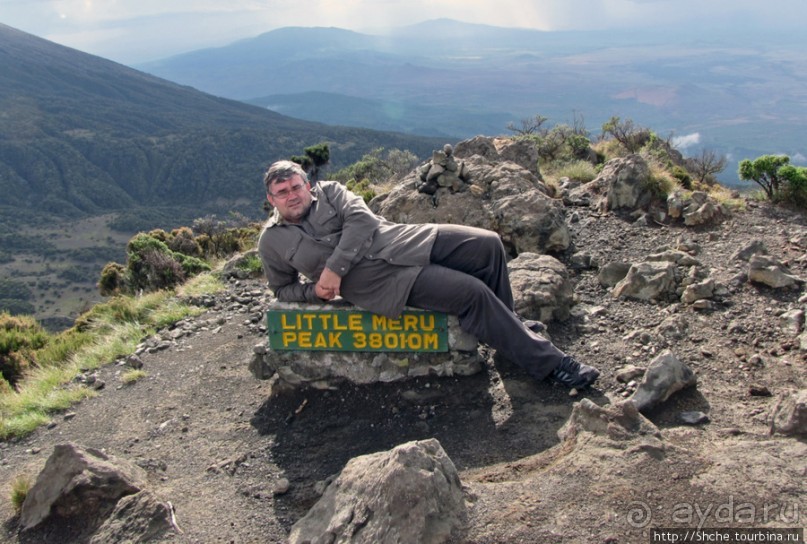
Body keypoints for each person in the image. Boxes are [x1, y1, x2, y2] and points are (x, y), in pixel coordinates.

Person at [258, 160, 599, 389]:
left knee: (489, 245)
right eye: (282, 192)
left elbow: (362, 221)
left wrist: (333, 269)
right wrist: (313, 293)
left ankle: (508, 332)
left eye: (295, 187)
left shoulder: (331, 191)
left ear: (307, 185)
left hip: (404, 240)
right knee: (471, 293)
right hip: (384, 282)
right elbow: (282, 288)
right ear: (271, 199)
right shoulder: (271, 241)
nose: (291, 196)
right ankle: (551, 365)